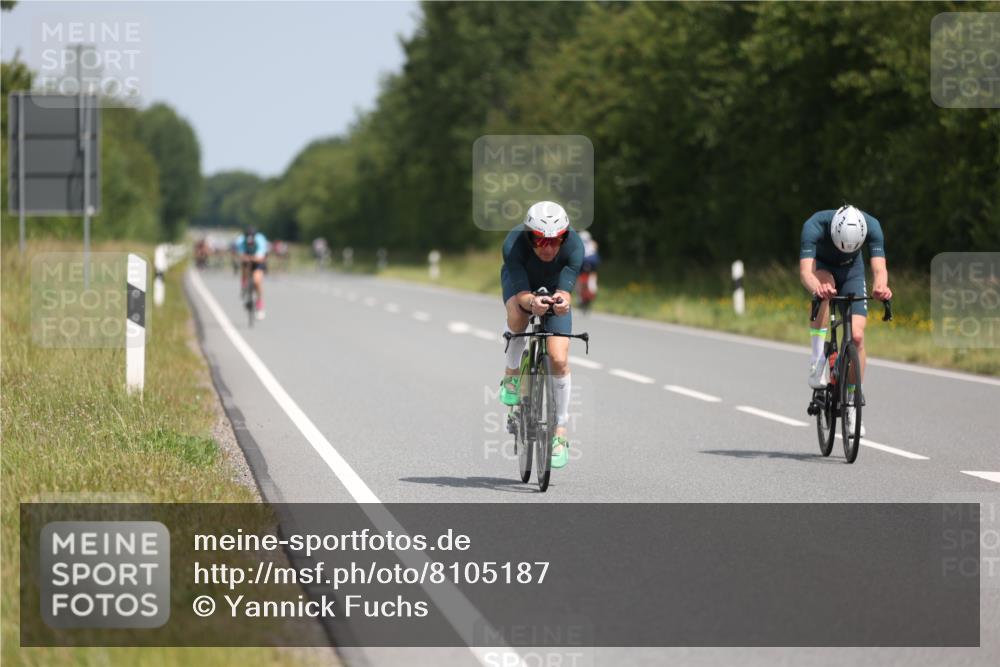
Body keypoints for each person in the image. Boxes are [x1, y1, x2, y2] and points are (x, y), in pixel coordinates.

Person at [499, 201, 584, 469]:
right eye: (539, 240)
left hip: (554, 287)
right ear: (528, 235)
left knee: (559, 359)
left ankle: (560, 433)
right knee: (518, 313)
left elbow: (567, 292)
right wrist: (530, 302)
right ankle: (512, 374)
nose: (548, 248)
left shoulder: (575, 247)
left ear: (565, 236)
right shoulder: (513, 245)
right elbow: (522, 293)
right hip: (522, 285)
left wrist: (563, 303)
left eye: (556, 240)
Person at [799, 205, 893, 437]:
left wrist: (880, 287)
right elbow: (805, 273)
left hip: (853, 272)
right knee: (824, 289)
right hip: (822, 269)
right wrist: (817, 288)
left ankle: (851, 400)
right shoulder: (814, 225)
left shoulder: (872, 226)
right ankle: (817, 360)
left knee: (857, 337)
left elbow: (879, 269)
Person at [236, 225, 270, 320]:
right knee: (244, 267)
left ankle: (259, 303)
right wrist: (244, 257)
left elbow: (261, 256)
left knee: (257, 281)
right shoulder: (241, 240)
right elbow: (240, 254)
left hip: (258, 261)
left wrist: (254, 258)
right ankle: (244, 285)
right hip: (247, 259)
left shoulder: (260, 239)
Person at [577, 230, 600, 311]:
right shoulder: (593, 244)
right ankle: (582, 298)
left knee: (583, 282)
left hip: (587, 268)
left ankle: (582, 298)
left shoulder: (591, 244)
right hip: (587, 267)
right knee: (583, 282)